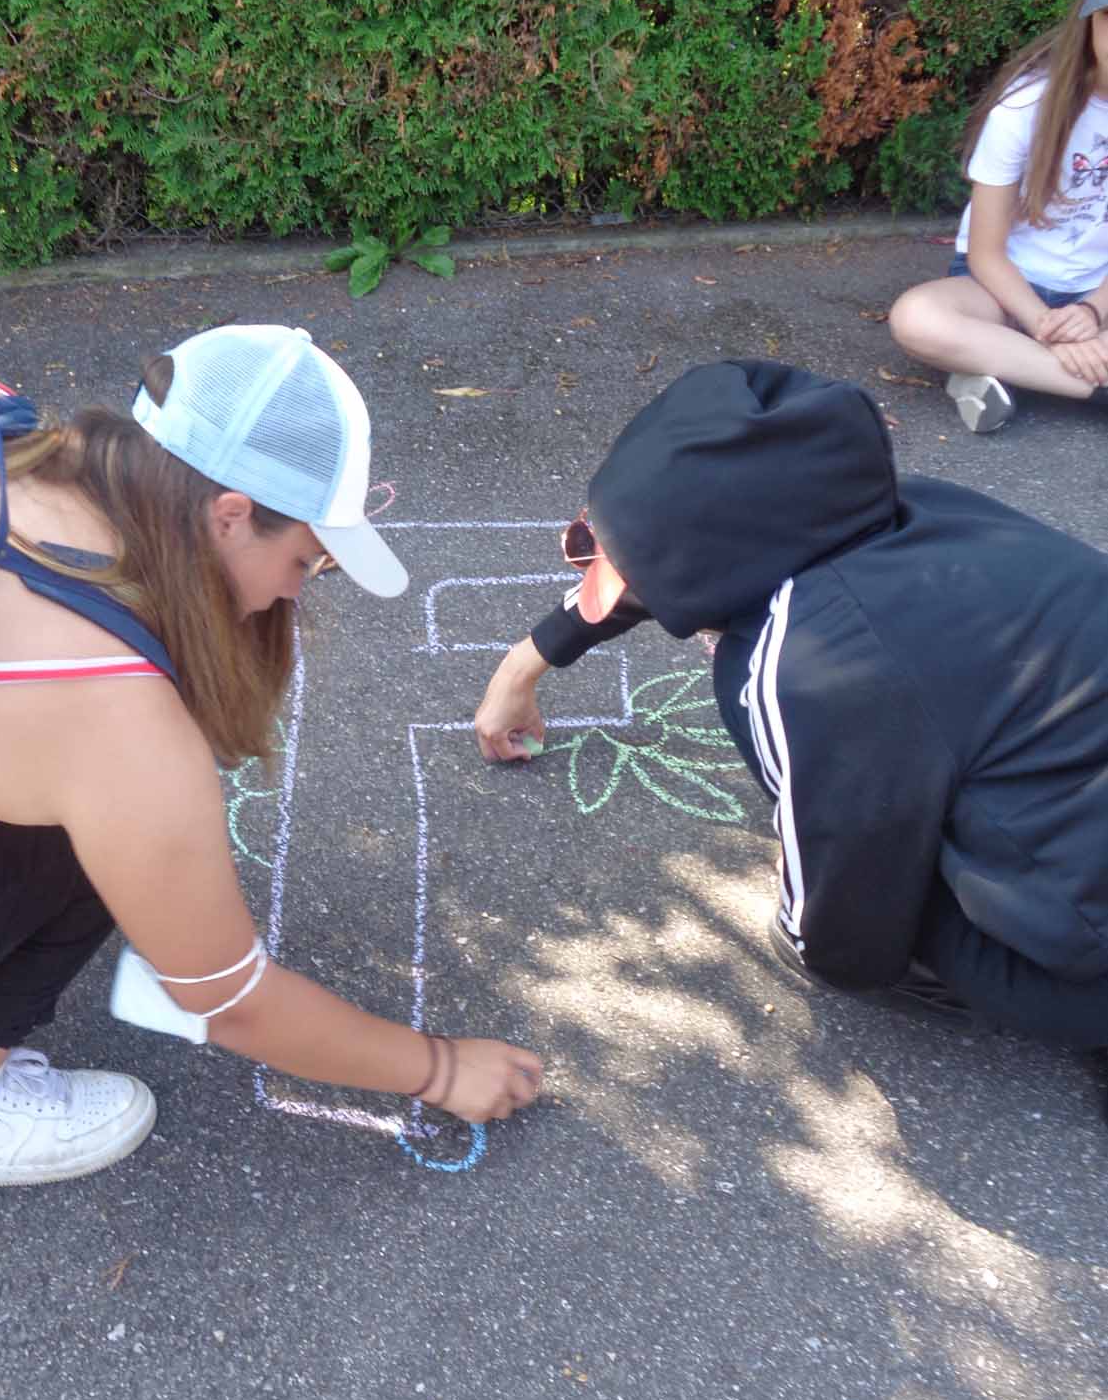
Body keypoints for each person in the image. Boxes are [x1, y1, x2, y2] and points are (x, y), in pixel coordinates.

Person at [0, 325, 541, 1194]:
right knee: (88, 840)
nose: (299, 585)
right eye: (308, 557)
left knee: (47, 789)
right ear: (230, 514)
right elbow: (232, 1001)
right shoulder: (112, 720)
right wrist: (440, 1067)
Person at [475, 358, 1108, 1053]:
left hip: (1087, 941)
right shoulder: (901, 508)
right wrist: (528, 659)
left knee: (867, 901)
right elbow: (681, 551)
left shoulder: (804, 667)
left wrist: (816, 942)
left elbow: (848, 905)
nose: (595, 560)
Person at [888, 0, 1108, 434]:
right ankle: (1089, 384)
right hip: (1004, 293)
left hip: (1098, 294)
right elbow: (986, 255)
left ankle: (1011, 368)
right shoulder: (1024, 106)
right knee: (917, 318)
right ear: (1088, 20)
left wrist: (1092, 311)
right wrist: (1045, 325)